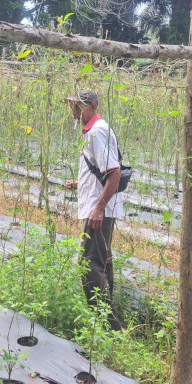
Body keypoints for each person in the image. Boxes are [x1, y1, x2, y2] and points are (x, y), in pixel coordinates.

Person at [62, 88, 123, 330]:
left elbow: (115, 173)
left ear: (94, 107)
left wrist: (98, 209)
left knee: (89, 266)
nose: (74, 111)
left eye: (79, 106)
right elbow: (103, 170)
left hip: (99, 212)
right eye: (72, 105)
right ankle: (109, 323)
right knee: (102, 263)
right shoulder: (90, 132)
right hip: (98, 206)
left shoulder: (98, 132)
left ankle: (108, 327)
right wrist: (81, 183)